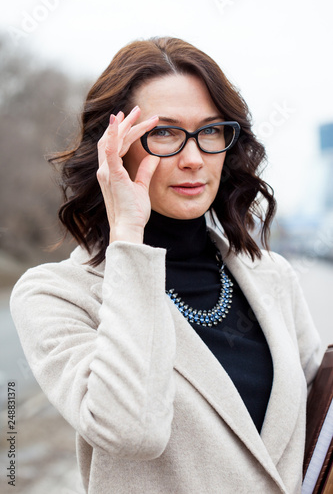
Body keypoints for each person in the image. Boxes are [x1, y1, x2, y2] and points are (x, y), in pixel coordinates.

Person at [10, 36, 321, 494]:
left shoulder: (272, 277)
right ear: (115, 147)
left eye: (211, 131)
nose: (194, 159)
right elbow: (133, 430)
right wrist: (128, 238)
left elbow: (319, 420)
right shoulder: (56, 294)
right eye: (165, 133)